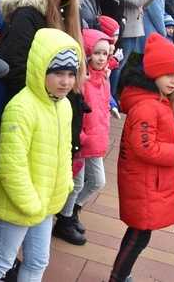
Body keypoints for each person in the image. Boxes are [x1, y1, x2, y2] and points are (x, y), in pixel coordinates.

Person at [0, 28, 81, 282]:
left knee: (38, 261)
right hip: (19, 202)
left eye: (70, 74)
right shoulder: (22, 107)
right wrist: (30, 201)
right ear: (40, 69)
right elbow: (12, 164)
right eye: (57, 73)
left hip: (44, 202)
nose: (65, 81)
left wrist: (64, 185)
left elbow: (65, 149)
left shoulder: (63, 105)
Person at [109, 33, 174, 282]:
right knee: (140, 236)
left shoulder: (157, 101)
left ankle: (121, 275)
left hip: (148, 179)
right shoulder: (147, 106)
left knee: (138, 233)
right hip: (144, 182)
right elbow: (145, 147)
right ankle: (118, 277)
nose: (173, 81)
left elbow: (160, 132)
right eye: (168, 75)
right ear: (153, 73)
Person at [54, 29, 115, 246]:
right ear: (88, 53)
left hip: (96, 139)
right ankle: (64, 222)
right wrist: (78, 137)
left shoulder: (104, 79)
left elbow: (105, 105)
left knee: (98, 181)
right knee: (76, 184)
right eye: (97, 53)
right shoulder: (81, 82)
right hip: (81, 142)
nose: (101, 58)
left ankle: (70, 213)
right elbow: (76, 114)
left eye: (105, 54)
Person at [119, 0, 158, 68]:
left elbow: (143, 5)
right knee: (119, 65)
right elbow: (136, 2)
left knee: (122, 64)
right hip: (127, 30)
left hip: (134, 30)